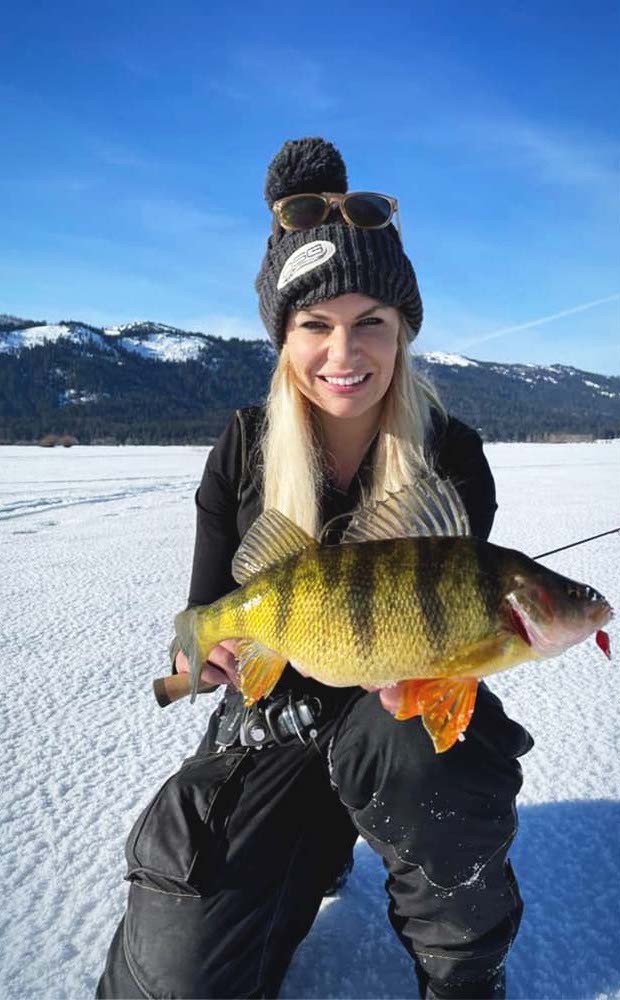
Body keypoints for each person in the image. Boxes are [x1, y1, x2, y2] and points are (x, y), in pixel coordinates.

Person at [96, 137, 533, 1000]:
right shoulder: (244, 450)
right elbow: (206, 615)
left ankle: (461, 977)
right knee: (179, 978)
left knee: (426, 758)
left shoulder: (452, 456)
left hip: (394, 717)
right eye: (316, 325)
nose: (345, 353)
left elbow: (445, 617)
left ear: (403, 331)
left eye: (372, 320)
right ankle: (317, 842)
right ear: (284, 335)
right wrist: (199, 656)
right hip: (278, 719)